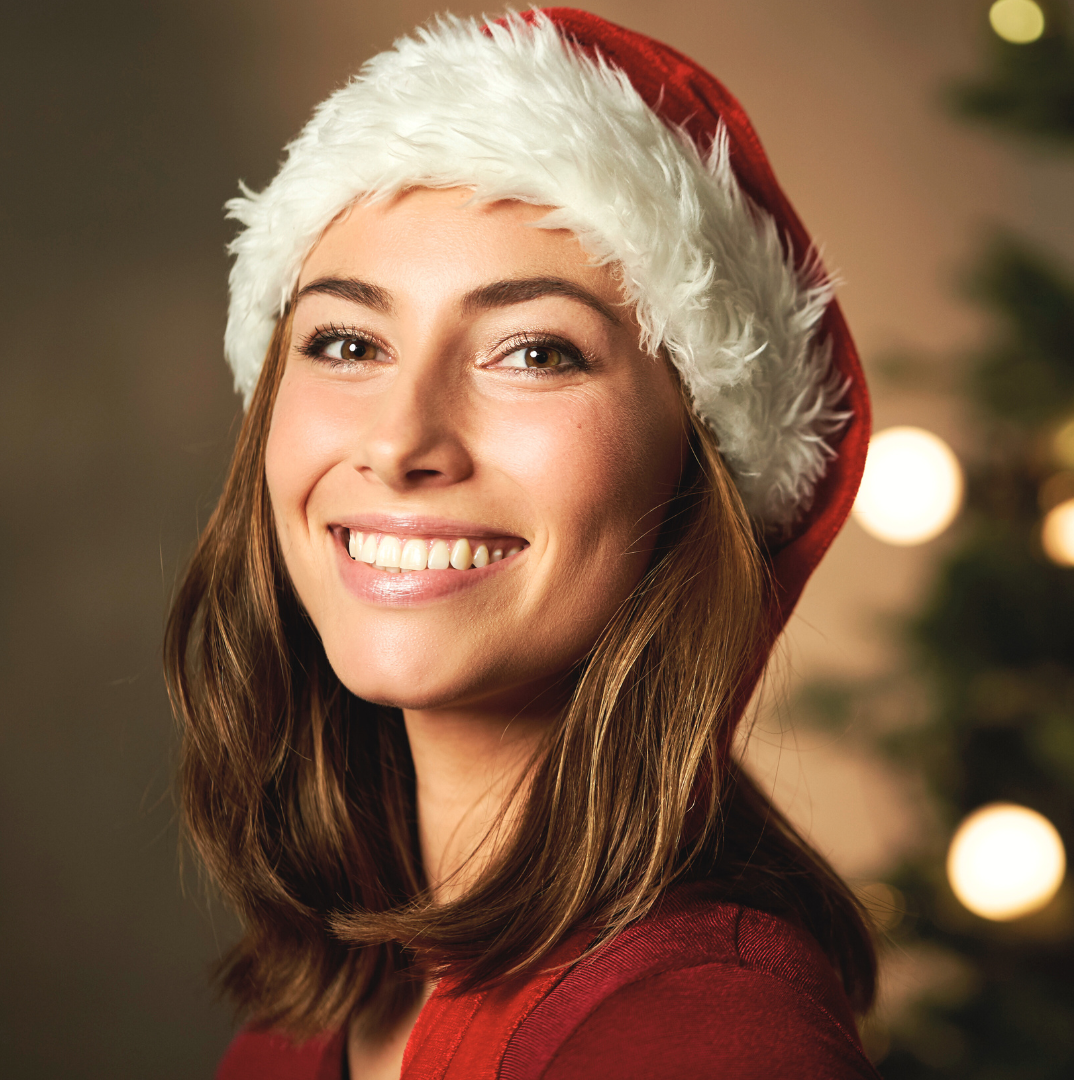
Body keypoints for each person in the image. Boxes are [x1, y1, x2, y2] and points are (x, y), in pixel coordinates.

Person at [165, 8, 880, 1079]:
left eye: (535, 352)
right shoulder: (331, 995)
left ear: (696, 467)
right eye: (348, 341)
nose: (404, 442)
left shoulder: (707, 1033)